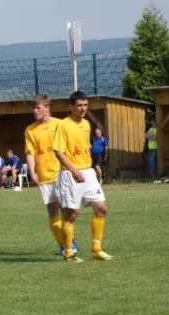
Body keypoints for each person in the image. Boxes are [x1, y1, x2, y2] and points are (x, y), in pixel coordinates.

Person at [54, 91, 112, 263]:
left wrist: (91, 167)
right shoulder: (63, 125)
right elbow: (58, 151)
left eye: (85, 105)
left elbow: (84, 147)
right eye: (79, 105)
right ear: (71, 106)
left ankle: (96, 249)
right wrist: (73, 170)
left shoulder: (86, 124)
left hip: (87, 172)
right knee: (71, 214)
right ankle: (68, 253)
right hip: (70, 173)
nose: (83, 108)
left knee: (101, 208)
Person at [25, 94, 77, 256]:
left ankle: (70, 244)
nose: (35, 111)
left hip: (61, 174)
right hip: (44, 176)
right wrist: (32, 171)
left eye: (38, 107)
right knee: (53, 212)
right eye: (34, 108)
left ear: (47, 108)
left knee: (65, 209)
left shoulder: (60, 124)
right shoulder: (30, 130)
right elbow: (30, 153)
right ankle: (64, 244)